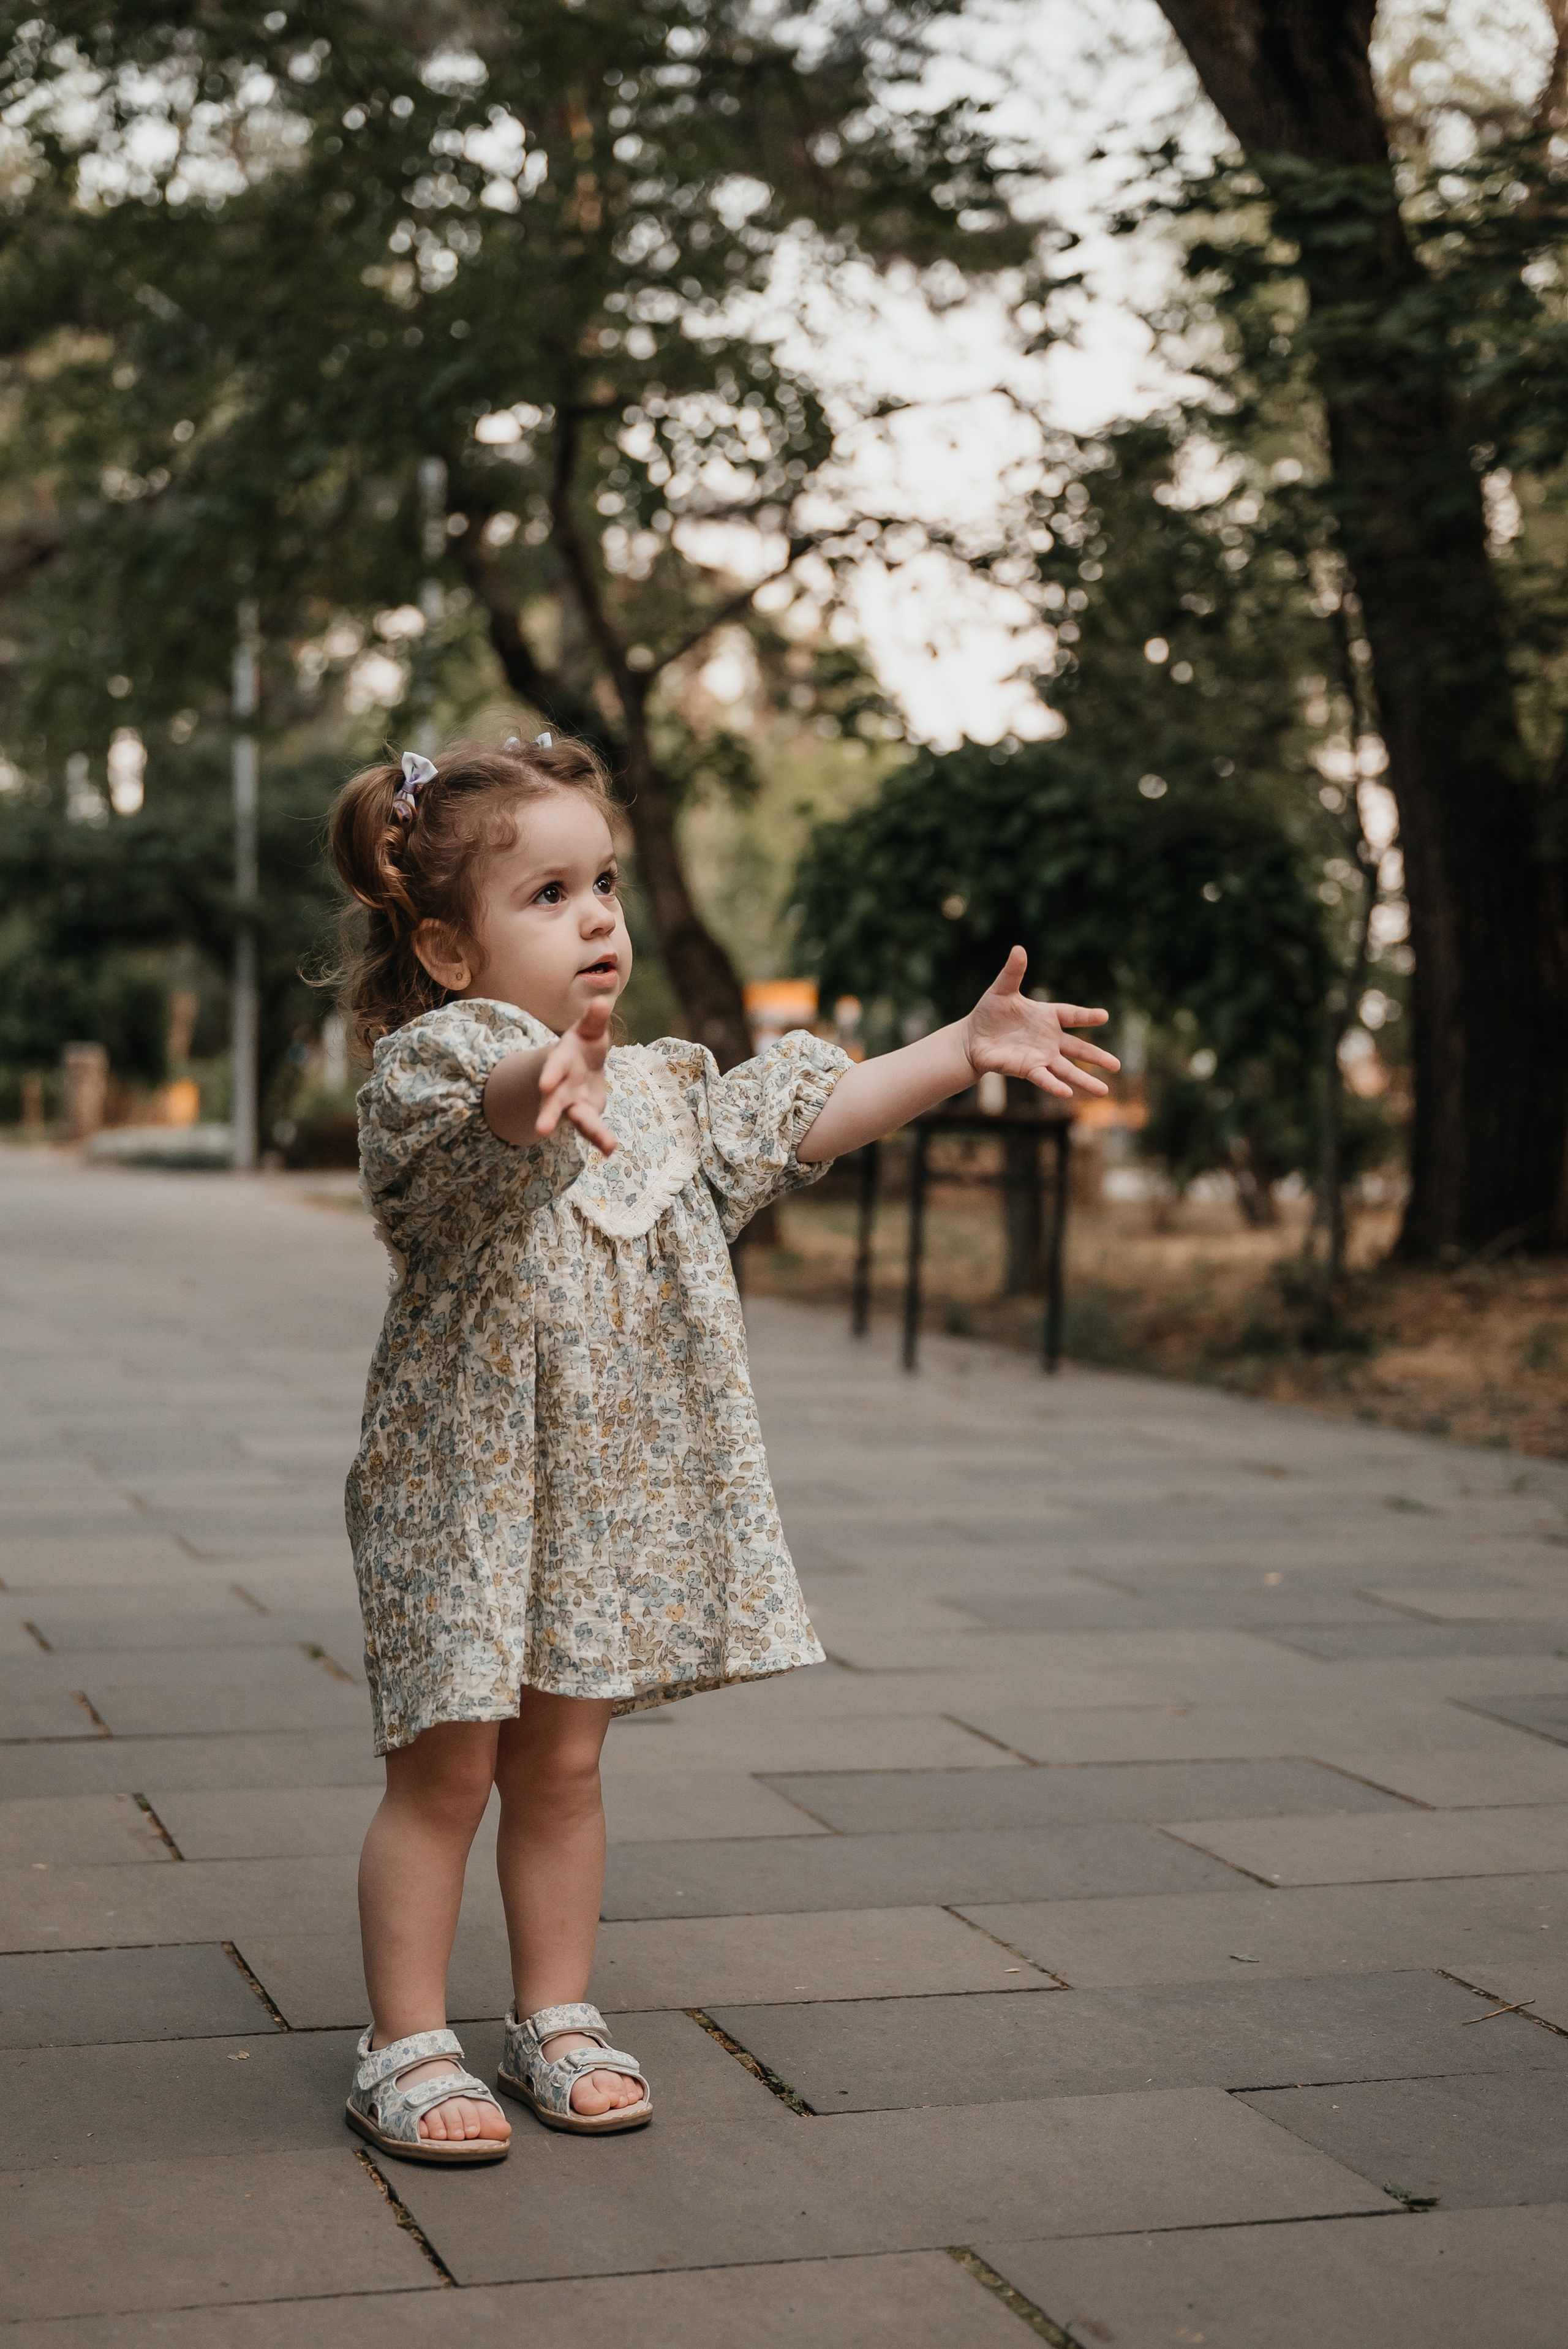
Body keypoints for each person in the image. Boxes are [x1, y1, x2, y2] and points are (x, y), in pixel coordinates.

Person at [327, 731, 1118, 2164]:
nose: (596, 919)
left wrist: (958, 1048)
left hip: (598, 1507)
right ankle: (403, 2038)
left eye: (605, 885)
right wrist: (536, 1090)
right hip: (461, 1498)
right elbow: (475, 1128)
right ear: (447, 948)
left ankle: (555, 2012)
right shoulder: (437, 1065)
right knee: (444, 1767)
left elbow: (805, 1113)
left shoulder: (669, 1090)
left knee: (561, 1763)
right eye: (549, 894)